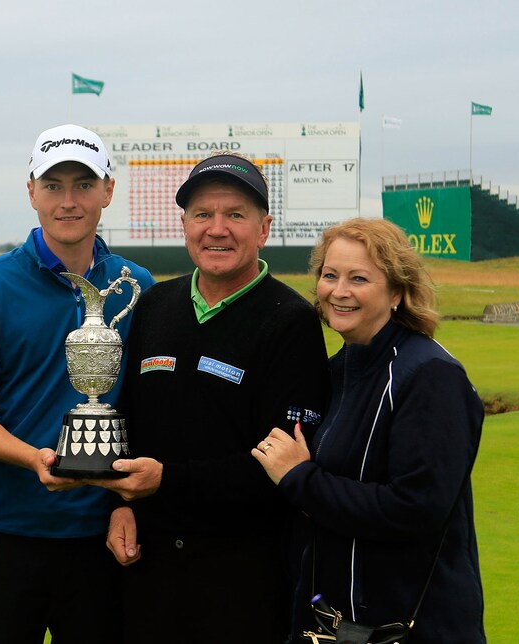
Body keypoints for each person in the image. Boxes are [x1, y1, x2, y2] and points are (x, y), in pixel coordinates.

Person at [95, 153, 332, 643]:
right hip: (148, 568)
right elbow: (128, 420)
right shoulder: (157, 304)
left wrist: (167, 481)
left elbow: (280, 465)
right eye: (203, 214)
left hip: (243, 578)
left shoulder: (291, 321)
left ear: (264, 228)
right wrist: (119, 505)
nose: (217, 229)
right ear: (184, 224)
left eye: (236, 215)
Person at [0, 124, 155, 643]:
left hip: (99, 536)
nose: (68, 201)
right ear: (31, 191)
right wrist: (33, 458)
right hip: (1, 531)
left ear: (107, 190)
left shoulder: (137, 286)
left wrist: (126, 504)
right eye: (53, 185)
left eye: (83, 184)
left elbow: (147, 411)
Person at [252, 217, 486, 643]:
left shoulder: (430, 375)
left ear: (397, 291)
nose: (339, 291)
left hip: (413, 629)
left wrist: (300, 479)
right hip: (336, 627)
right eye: (330, 275)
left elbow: (415, 508)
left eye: (359, 278)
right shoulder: (338, 370)